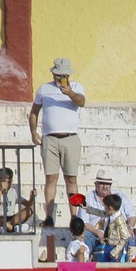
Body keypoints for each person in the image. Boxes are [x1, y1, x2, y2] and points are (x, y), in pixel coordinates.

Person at [29, 57, 86, 220]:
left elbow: (81, 102)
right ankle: (49, 216)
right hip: (50, 138)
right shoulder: (44, 89)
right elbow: (34, 111)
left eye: (63, 75)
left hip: (70, 138)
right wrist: (33, 132)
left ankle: (74, 216)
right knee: (51, 177)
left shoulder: (76, 87)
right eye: (57, 74)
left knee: (71, 178)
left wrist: (70, 93)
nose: (59, 78)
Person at [0, 166, 34, 234]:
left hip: (11, 218)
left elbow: (28, 204)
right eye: (3, 182)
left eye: (9, 182)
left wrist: (32, 197)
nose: (6, 185)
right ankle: (10, 227)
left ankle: (6, 226)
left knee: (29, 210)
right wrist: (0, 191)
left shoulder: (13, 191)